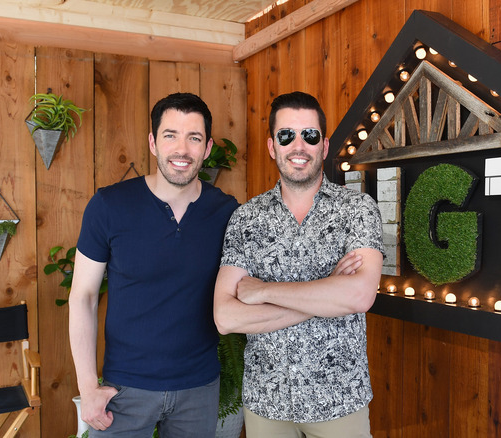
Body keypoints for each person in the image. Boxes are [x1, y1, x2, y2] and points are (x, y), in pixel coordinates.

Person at [69, 92, 240, 437]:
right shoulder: (109, 205)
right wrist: (88, 388)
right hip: (124, 391)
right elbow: (83, 296)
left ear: (207, 149)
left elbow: (244, 282)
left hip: (199, 389)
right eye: (170, 135)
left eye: (194, 138)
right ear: (153, 142)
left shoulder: (226, 212)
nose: (182, 149)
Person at [214, 91, 384, 437]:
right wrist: (326, 297)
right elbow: (226, 316)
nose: (298, 145)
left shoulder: (357, 209)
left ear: (324, 146)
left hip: (339, 401)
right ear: (272, 146)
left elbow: (360, 296)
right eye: (286, 135)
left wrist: (262, 291)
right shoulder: (246, 219)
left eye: (310, 135)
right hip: (265, 403)